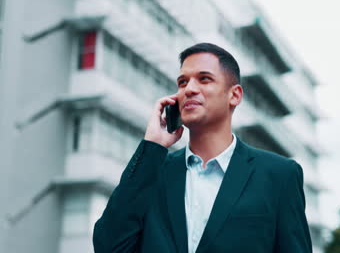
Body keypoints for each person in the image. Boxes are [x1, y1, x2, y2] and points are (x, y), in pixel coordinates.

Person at [93, 43, 313, 253]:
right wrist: (152, 146)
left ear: (234, 95)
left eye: (204, 79)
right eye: (182, 82)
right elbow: (108, 247)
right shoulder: (152, 172)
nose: (189, 89)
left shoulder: (279, 175)